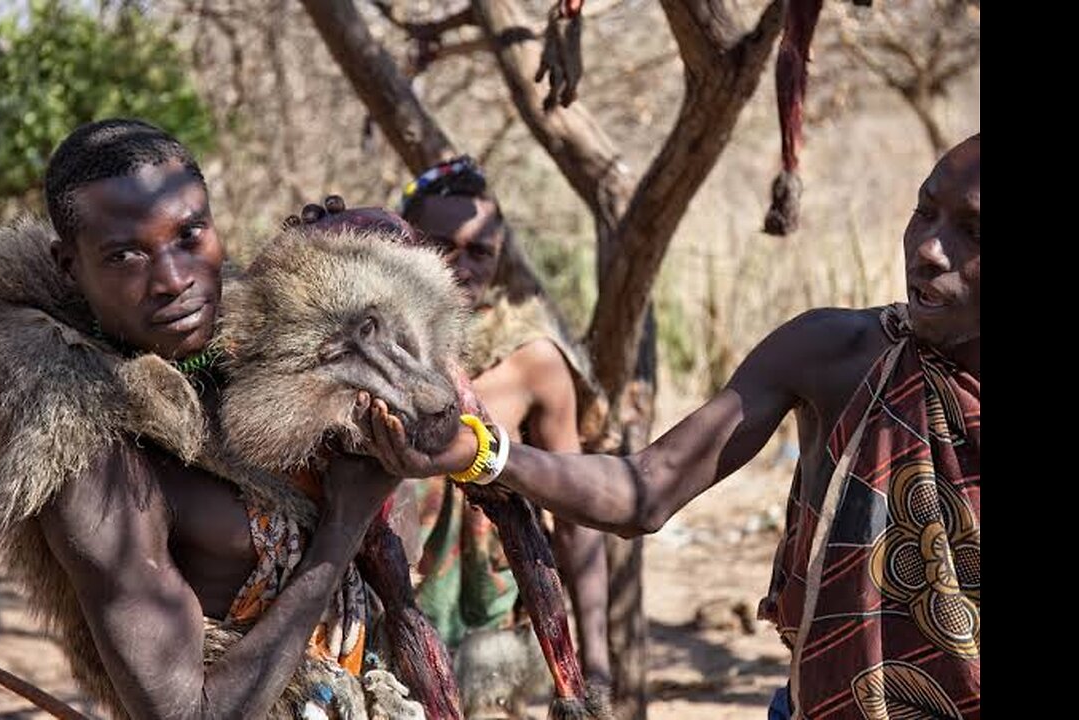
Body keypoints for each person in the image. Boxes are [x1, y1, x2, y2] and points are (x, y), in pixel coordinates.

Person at [361, 134, 981, 719]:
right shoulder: (835, 354)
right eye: (924, 212)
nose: (929, 249)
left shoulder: (529, 353)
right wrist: (482, 454)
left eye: (972, 232)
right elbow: (647, 488)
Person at [0, 118, 425, 720]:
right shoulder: (89, 466)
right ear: (68, 266)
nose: (173, 280)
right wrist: (342, 526)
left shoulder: (257, 359)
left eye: (189, 234)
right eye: (125, 254)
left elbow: (402, 542)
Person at [396, 157, 612, 703]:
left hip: (487, 633)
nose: (460, 264)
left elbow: (575, 513)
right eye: (440, 245)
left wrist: (595, 663)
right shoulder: (367, 348)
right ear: (403, 243)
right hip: (383, 613)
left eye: (479, 251)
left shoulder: (528, 358)